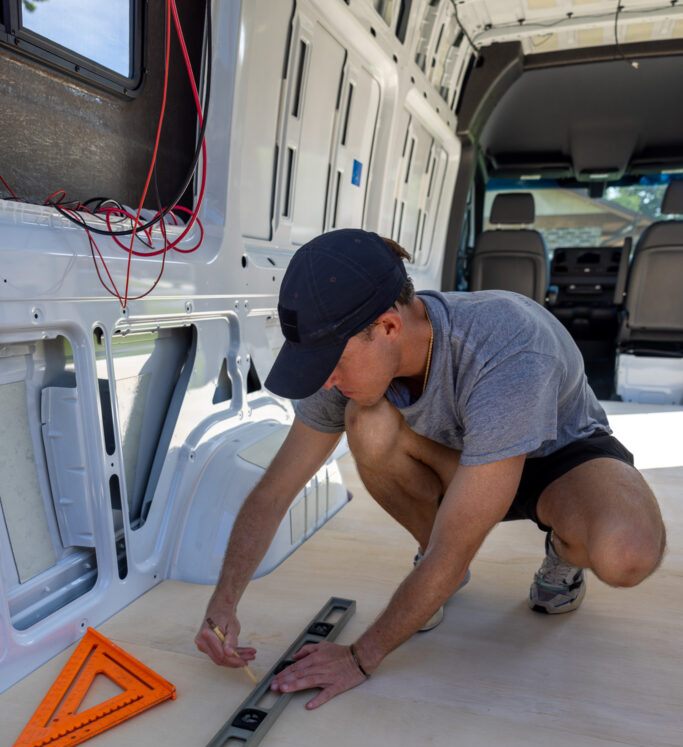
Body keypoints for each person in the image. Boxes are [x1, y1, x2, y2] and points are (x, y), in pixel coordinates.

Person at [194, 229, 666, 709]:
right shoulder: (340, 347)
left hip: (558, 459)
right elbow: (275, 491)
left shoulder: (508, 347)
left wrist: (360, 657)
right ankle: (434, 564)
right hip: (460, 459)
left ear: (389, 328)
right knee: (369, 421)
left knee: (628, 553)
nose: (326, 380)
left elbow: (456, 548)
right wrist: (223, 603)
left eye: (331, 365)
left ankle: (565, 554)